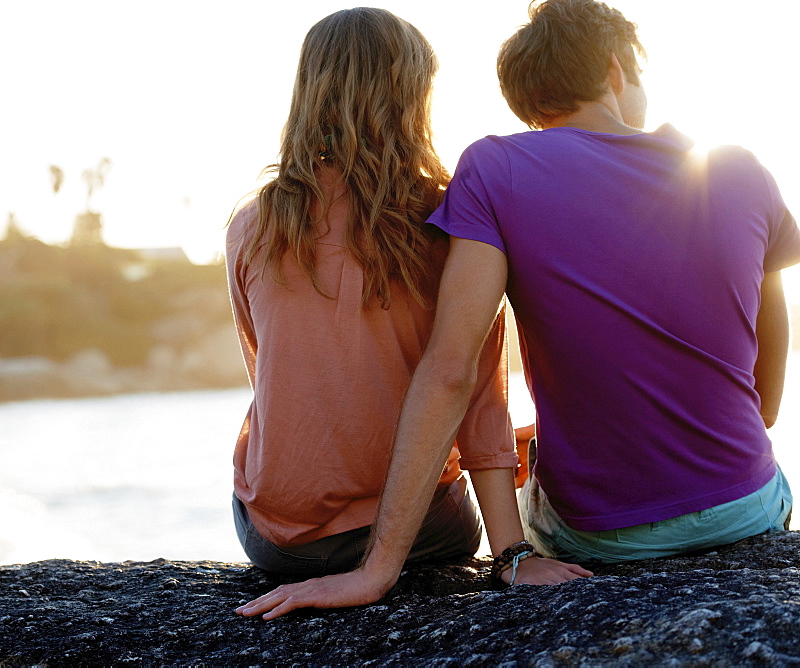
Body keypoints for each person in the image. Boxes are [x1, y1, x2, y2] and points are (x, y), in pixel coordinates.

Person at [237, 0, 799, 619]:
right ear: (617, 69)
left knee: (532, 463)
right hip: (740, 507)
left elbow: (298, 374)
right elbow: (766, 404)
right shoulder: (735, 165)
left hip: (287, 535)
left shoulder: (256, 224)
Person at [225, 7, 585, 582]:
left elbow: (277, 377)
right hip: (419, 531)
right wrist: (513, 554)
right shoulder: (450, 220)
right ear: (414, 96)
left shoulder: (252, 225)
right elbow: (474, 395)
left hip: (275, 538)